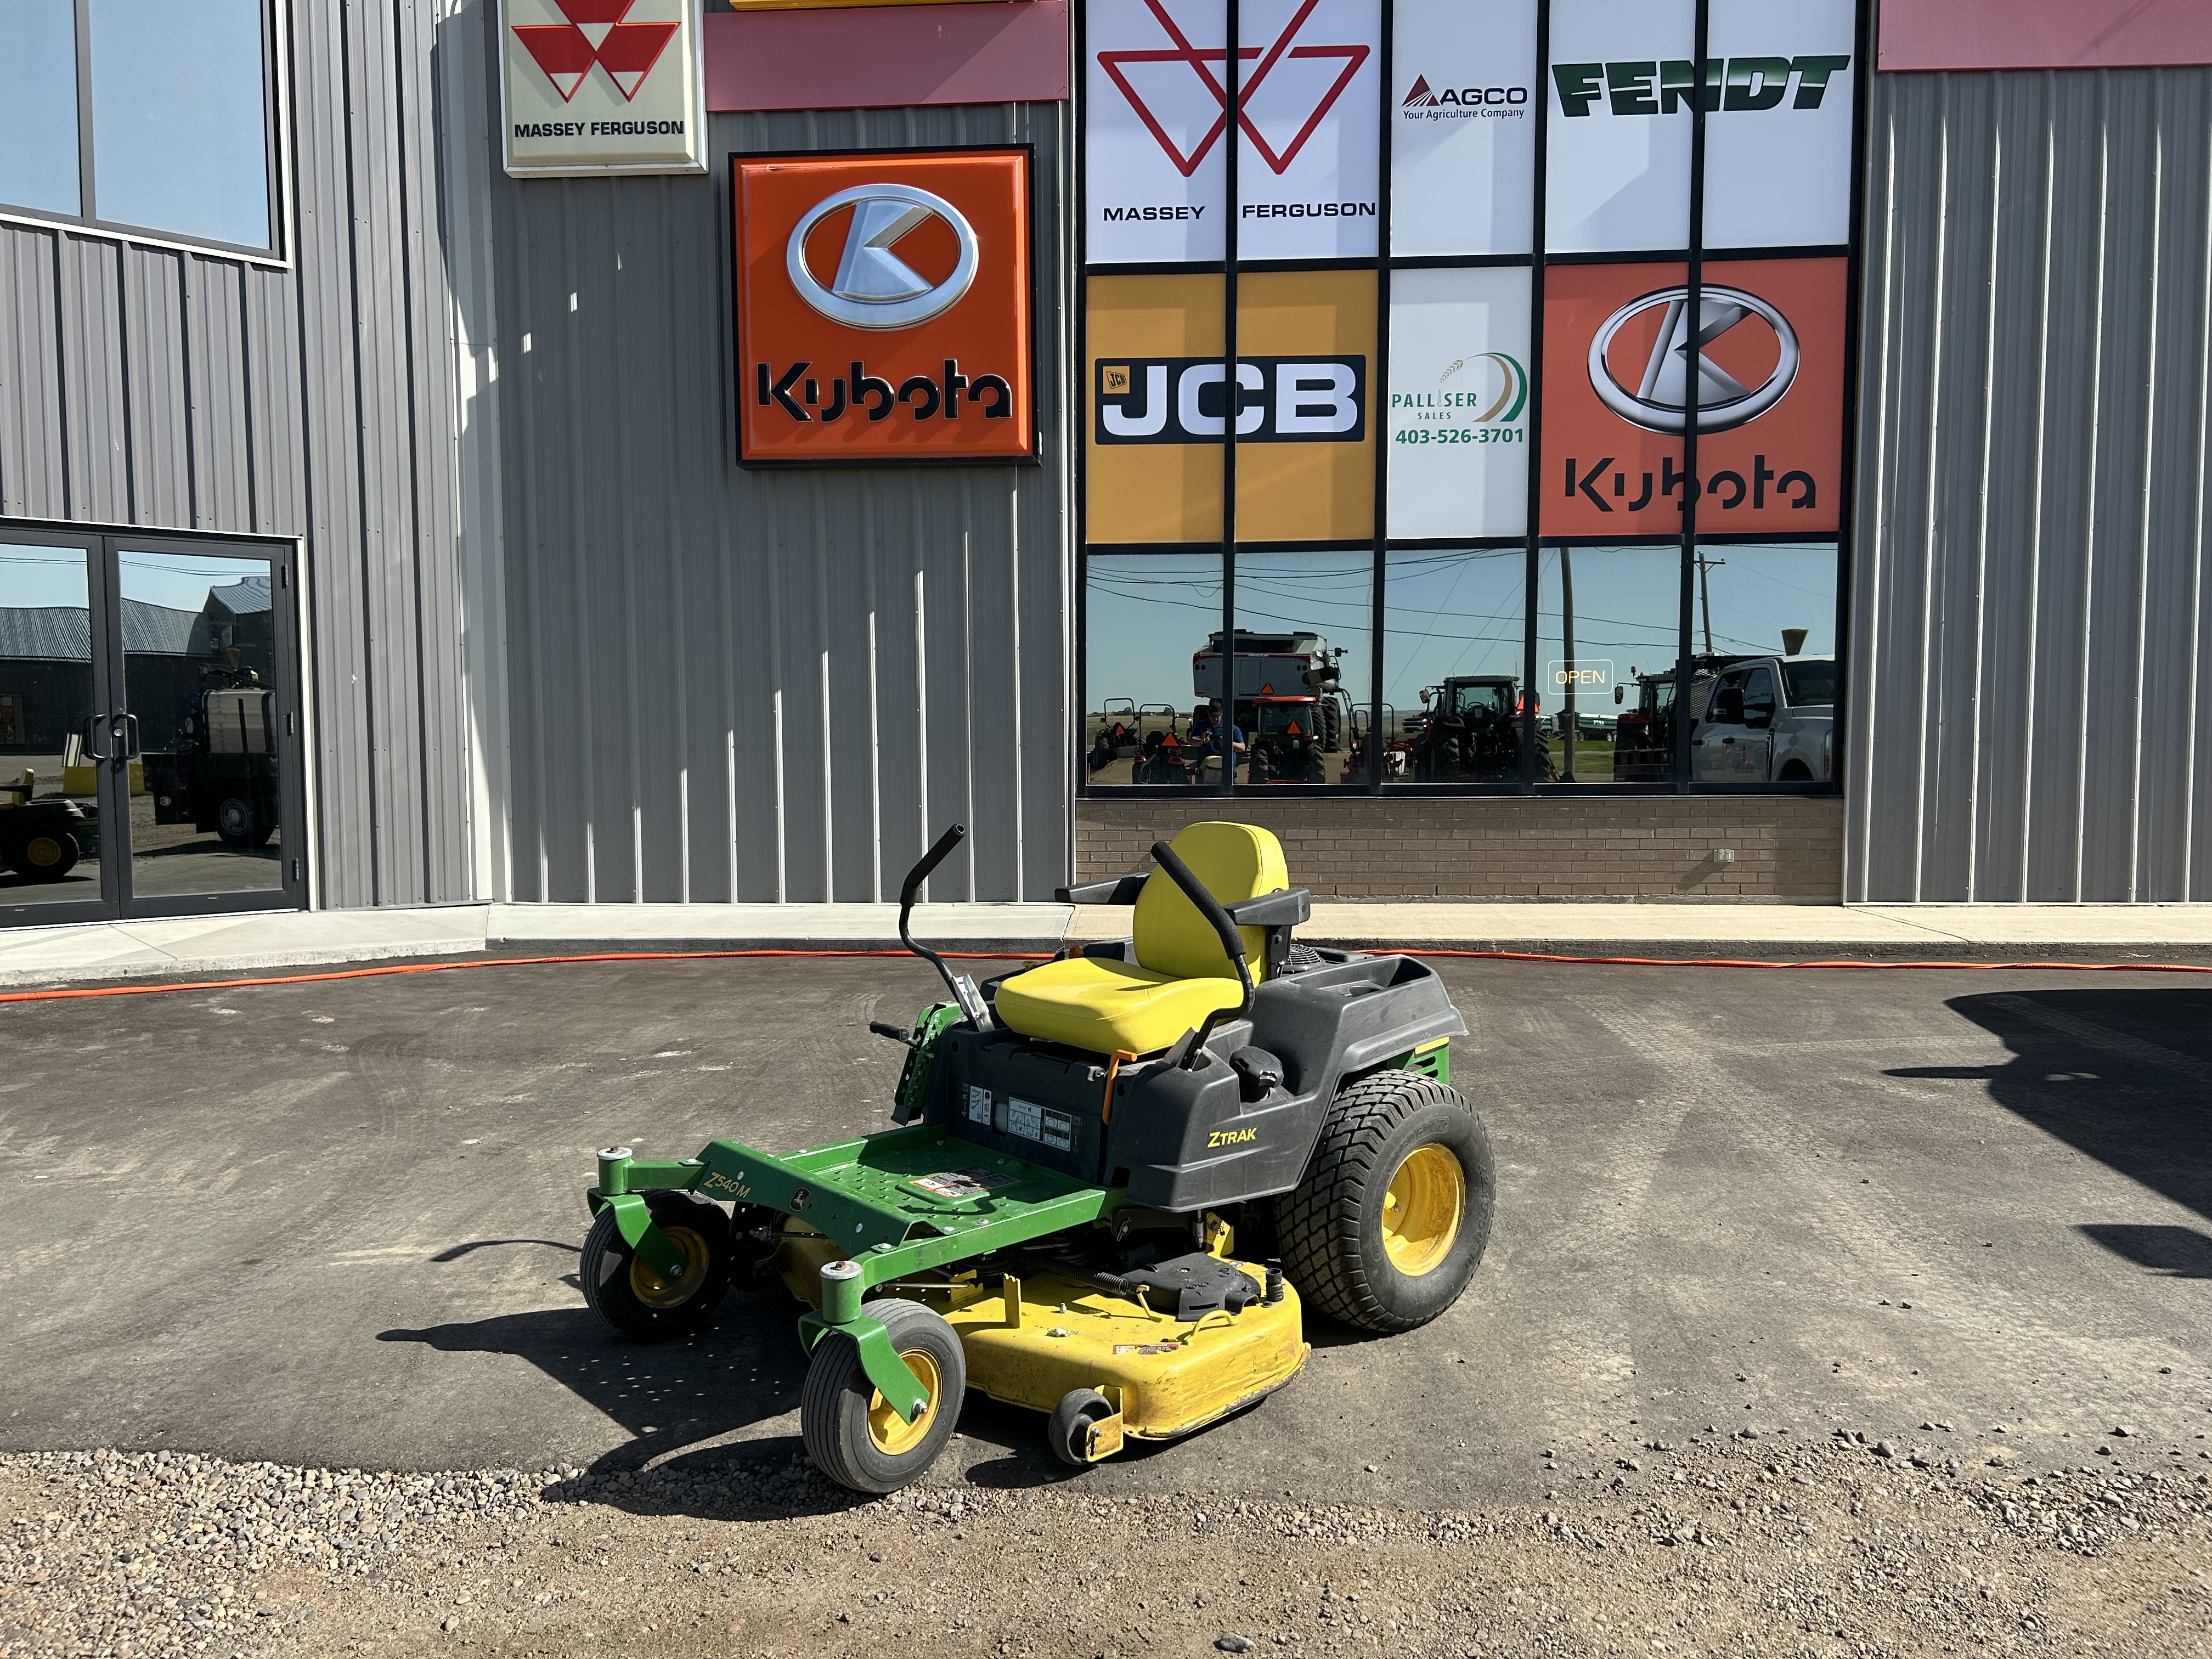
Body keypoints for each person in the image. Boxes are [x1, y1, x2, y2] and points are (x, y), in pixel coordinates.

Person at [1189, 700, 1246, 782]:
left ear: (1222, 714)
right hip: (1205, 770)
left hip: (1227, 770)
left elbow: (1242, 748)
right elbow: (1192, 742)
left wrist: (1228, 743)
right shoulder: (1201, 726)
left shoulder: (1232, 728)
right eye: (1213, 716)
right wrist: (1202, 741)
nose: (1216, 719)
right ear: (1208, 713)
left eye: (1218, 716)